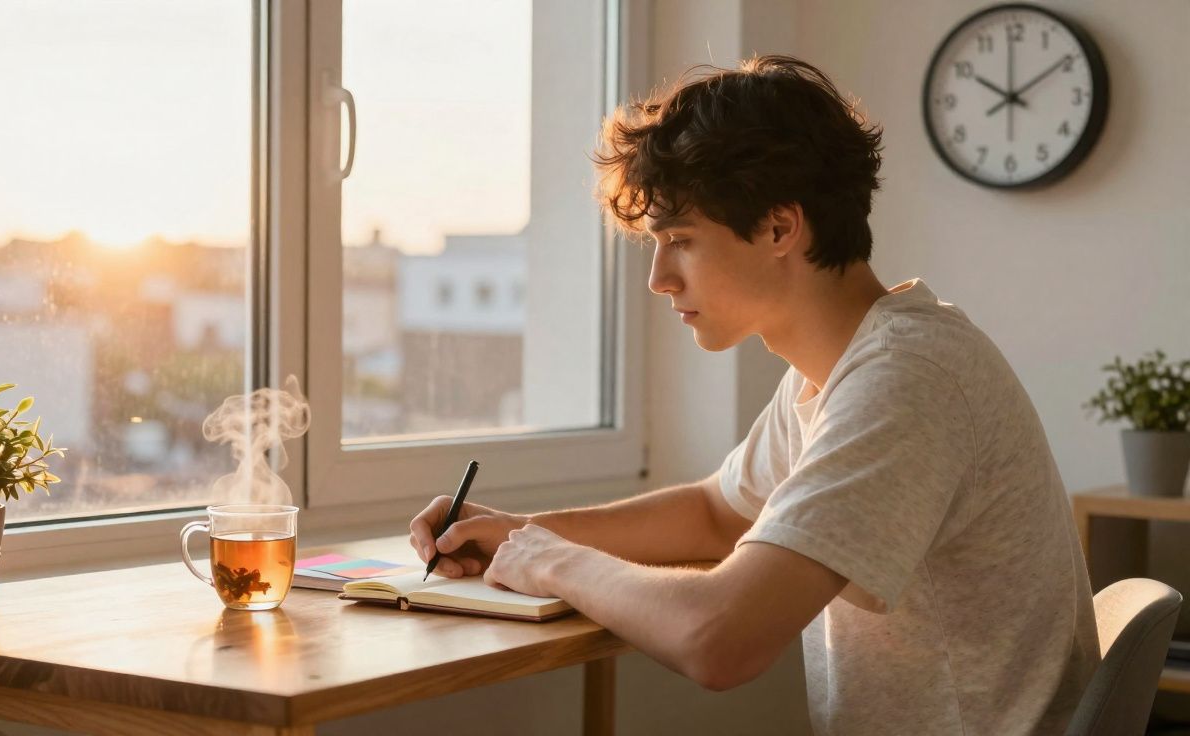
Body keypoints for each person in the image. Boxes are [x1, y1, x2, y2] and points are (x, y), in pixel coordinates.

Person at [408, 55, 1098, 735]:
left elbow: (719, 639)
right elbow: (719, 512)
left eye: (680, 240)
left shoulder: (905, 379)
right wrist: (521, 533)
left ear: (779, 227)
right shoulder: (842, 365)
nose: (659, 279)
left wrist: (553, 561)